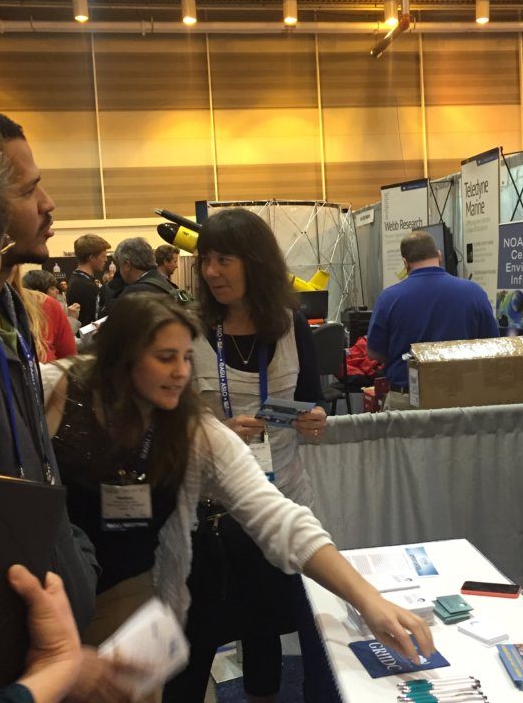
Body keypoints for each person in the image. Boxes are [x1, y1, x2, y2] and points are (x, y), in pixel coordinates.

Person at [44, 293, 434, 702]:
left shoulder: (191, 427)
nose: (180, 372)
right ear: (122, 357)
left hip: (128, 595)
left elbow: (278, 516)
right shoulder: (53, 388)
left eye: (185, 358)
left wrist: (368, 600)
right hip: (47, 588)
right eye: (165, 357)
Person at [0, 103, 133, 703]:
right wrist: (49, 674)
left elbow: (30, 478)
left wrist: (78, 564)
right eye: (28, 189)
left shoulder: (14, 321)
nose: (48, 204)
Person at [164, 208, 328, 702]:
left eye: (224, 259)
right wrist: (216, 430)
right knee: (194, 639)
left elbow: (312, 396)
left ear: (255, 263)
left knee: (265, 629)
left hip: (278, 502)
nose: (211, 271)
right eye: (206, 260)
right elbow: (164, 418)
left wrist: (315, 417)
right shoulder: (188, 329)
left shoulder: (291, 324)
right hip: (207, 515)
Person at [367, 230, 499, 410]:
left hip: (408, 401)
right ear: (439, 255)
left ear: (405, 264)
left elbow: (374, 353)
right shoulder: (474, 293)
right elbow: (492, 345)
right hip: (463, 399)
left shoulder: (389, 298)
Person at [67, 234, 111, 325]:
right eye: (103, 256)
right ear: (92, 257)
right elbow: (91, 323)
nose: (106, 259)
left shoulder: (78, 279)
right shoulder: (84, 285)